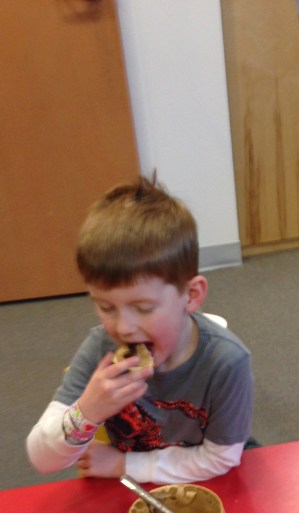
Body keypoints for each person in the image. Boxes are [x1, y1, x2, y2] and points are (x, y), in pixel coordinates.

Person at [27, 176, 254, 484]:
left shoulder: (227, 362)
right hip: (134, 486)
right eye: (106, 307)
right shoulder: (101, 348)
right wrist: (87, 412)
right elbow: (42, 458)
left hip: (209, 480)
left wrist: (125, 464)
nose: (123, 328)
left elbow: (220, 458)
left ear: (191, 296)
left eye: (143, 308)